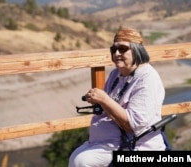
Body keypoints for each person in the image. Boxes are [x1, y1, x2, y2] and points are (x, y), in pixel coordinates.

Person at [69, 27, 166, 167]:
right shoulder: (116, 74)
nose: (117, 54)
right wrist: (99, 103)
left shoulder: (148, 79)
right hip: (105, 143)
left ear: (137, 50)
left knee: (81, 161)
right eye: (113, 50)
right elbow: (110, 107)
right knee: (76, 157)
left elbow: (132, 126)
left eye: (122, 49)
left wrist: (104, 99)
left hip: (131, 146)